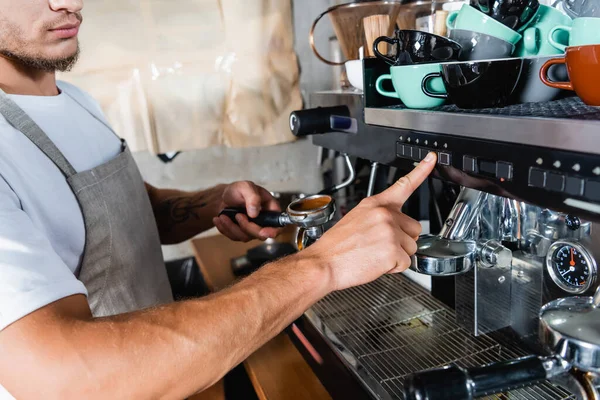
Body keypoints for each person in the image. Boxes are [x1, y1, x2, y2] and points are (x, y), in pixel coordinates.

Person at [0, 0, 437, 398]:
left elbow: (120, 211)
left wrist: (210, 204)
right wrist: (325, 263)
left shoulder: (75, 101)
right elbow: (63, 377)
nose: (70, 4)